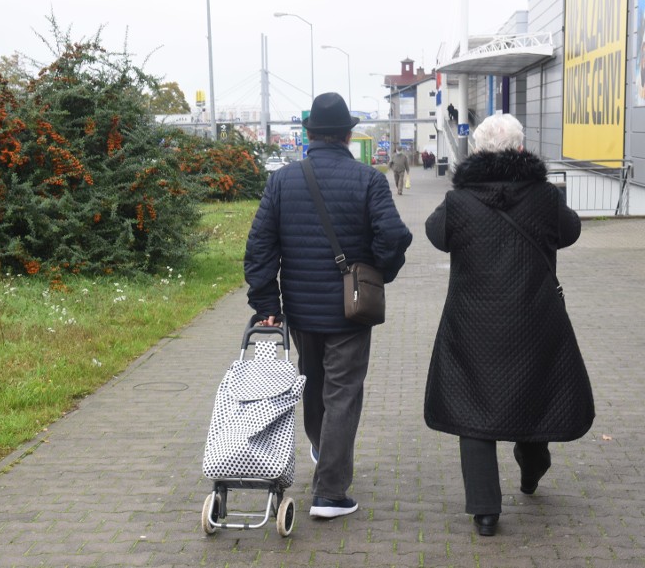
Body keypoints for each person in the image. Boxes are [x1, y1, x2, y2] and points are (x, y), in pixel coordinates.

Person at [423, 113, 594, 537]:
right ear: (520, 149)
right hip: (534, 319)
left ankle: (485, 511)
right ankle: (533, 468)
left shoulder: (460, 201)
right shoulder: (543, 195)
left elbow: (434, 233)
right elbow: (571, 231)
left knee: (471, 406)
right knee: (533, 394)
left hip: (471, 323)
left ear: (478, 151)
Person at [244, 92, 413, 519]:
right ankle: (331, 493)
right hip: (351, 311)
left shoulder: (282, 182)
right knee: (343, 392)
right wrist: (376, 273)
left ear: (309, 134)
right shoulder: (369, 180)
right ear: (347, 134)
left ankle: (322, 449)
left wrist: (268, 302)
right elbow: (393, 237)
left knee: (314, 383)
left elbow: (259, 247)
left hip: (300, 310)